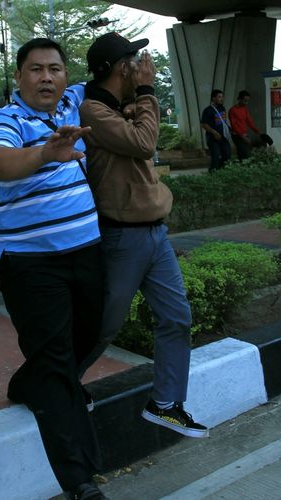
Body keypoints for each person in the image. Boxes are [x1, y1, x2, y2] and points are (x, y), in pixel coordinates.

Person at [0, 38, 107, 500]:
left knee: (93, 333)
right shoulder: (6, 120)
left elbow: (105, 76)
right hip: (30, 262)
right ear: (18, 77)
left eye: (55, 69)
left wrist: (141, 78)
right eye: (35, 69)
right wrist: (43, 155)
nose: (46, 77)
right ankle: (80, 480)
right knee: (56, 364)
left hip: (84, 250)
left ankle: (28, 382)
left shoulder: (72, 101)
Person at [78, 32, 208, 440]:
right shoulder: (93, 110)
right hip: (122, 238)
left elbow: (140, 136)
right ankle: (55, 381)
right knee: (105, 325)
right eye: (137, 60)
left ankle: (166, 403)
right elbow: (143, 142)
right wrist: (149, 91)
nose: (144, 65)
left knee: (177, 318)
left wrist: (140, 101)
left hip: (155, 233)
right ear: (122, 68)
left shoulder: (122, 107)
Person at [201, 89, 232, 171]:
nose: (221, 99)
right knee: (215, 156)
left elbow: (223, 122)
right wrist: (214, 132)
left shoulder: (222, 108)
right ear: (213, 98)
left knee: (227, 155)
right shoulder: (208, 110)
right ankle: (212, 173)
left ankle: (219, 171)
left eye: (222, 97)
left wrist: (229, 130)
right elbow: (204, 124)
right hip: (213, 138)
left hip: (223, 137)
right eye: (219, 97)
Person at [228, 90, 263, 160]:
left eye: (247, 101)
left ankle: (241, 167)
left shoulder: (244, 109)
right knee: (246, 154)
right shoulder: (232, 110)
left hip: (244, 134)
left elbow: (249, 121)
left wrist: (258, 131)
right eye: (244, 101)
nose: (246, 103)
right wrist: (242, 137)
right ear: (239, 99)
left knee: (243, 154)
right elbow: (234, 126)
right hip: (237, 136)